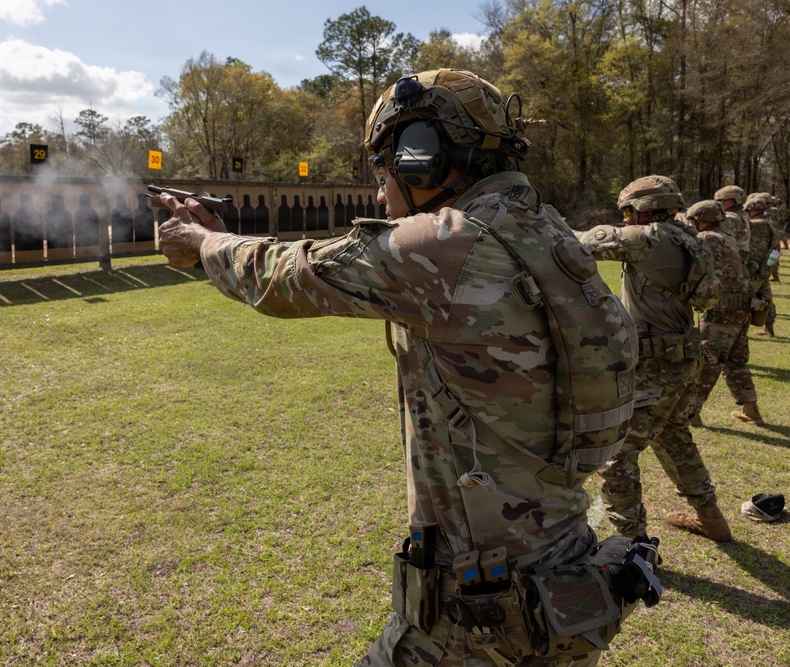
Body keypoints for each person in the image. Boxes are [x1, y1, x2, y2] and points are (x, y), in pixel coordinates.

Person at [159, 68, 646, 667]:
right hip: (561, 572)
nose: (381, 190)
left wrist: (204, 242)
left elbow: (288, 275)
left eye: (385, 169)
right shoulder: (547, 232)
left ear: (425, 159)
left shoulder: (447, 244)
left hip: (478, 607)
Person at [575, 176, 732, 543]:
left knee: (618, 453)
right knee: (673, 435)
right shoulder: (690, 239)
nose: (626, 219)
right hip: (684, 354)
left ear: (641, 210)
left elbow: (576, 242)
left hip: (656, 361)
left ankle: (632, 545)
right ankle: (711, 518)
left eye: (628, 212)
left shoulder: (646, 238)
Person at [687, 201, 753, 429]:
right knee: (736, 359)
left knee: (708, 360)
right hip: (741, 307)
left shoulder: (707, 238)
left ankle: (690, 413)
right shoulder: (728, 238)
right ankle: (750, 408)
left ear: (702, 220)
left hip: (722, 310)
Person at [745, 194, 781, 341]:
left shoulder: (758, 224)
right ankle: (769, 328)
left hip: (756, 269)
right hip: (765, 267)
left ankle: (740, 330)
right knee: (767, 297)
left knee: (745, 300)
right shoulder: (770, 220)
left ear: (753, 210)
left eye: (748, 212)